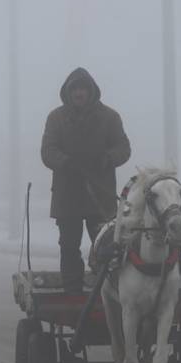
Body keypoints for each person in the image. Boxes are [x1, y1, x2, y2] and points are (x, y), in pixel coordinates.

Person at [40, 67, 132, 293]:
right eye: (75, 90)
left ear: (91, 92)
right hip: (67, 195)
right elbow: (47, 151)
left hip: (100, 195)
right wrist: (65, 162)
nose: (79, 93)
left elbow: (123, 148)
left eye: (83, 89)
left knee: (105, 247)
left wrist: (107, 159)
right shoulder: (56, 118)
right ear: (68, 93)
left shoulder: (110, 117)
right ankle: (72, 293)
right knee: (69, 246)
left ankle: (107, 290)